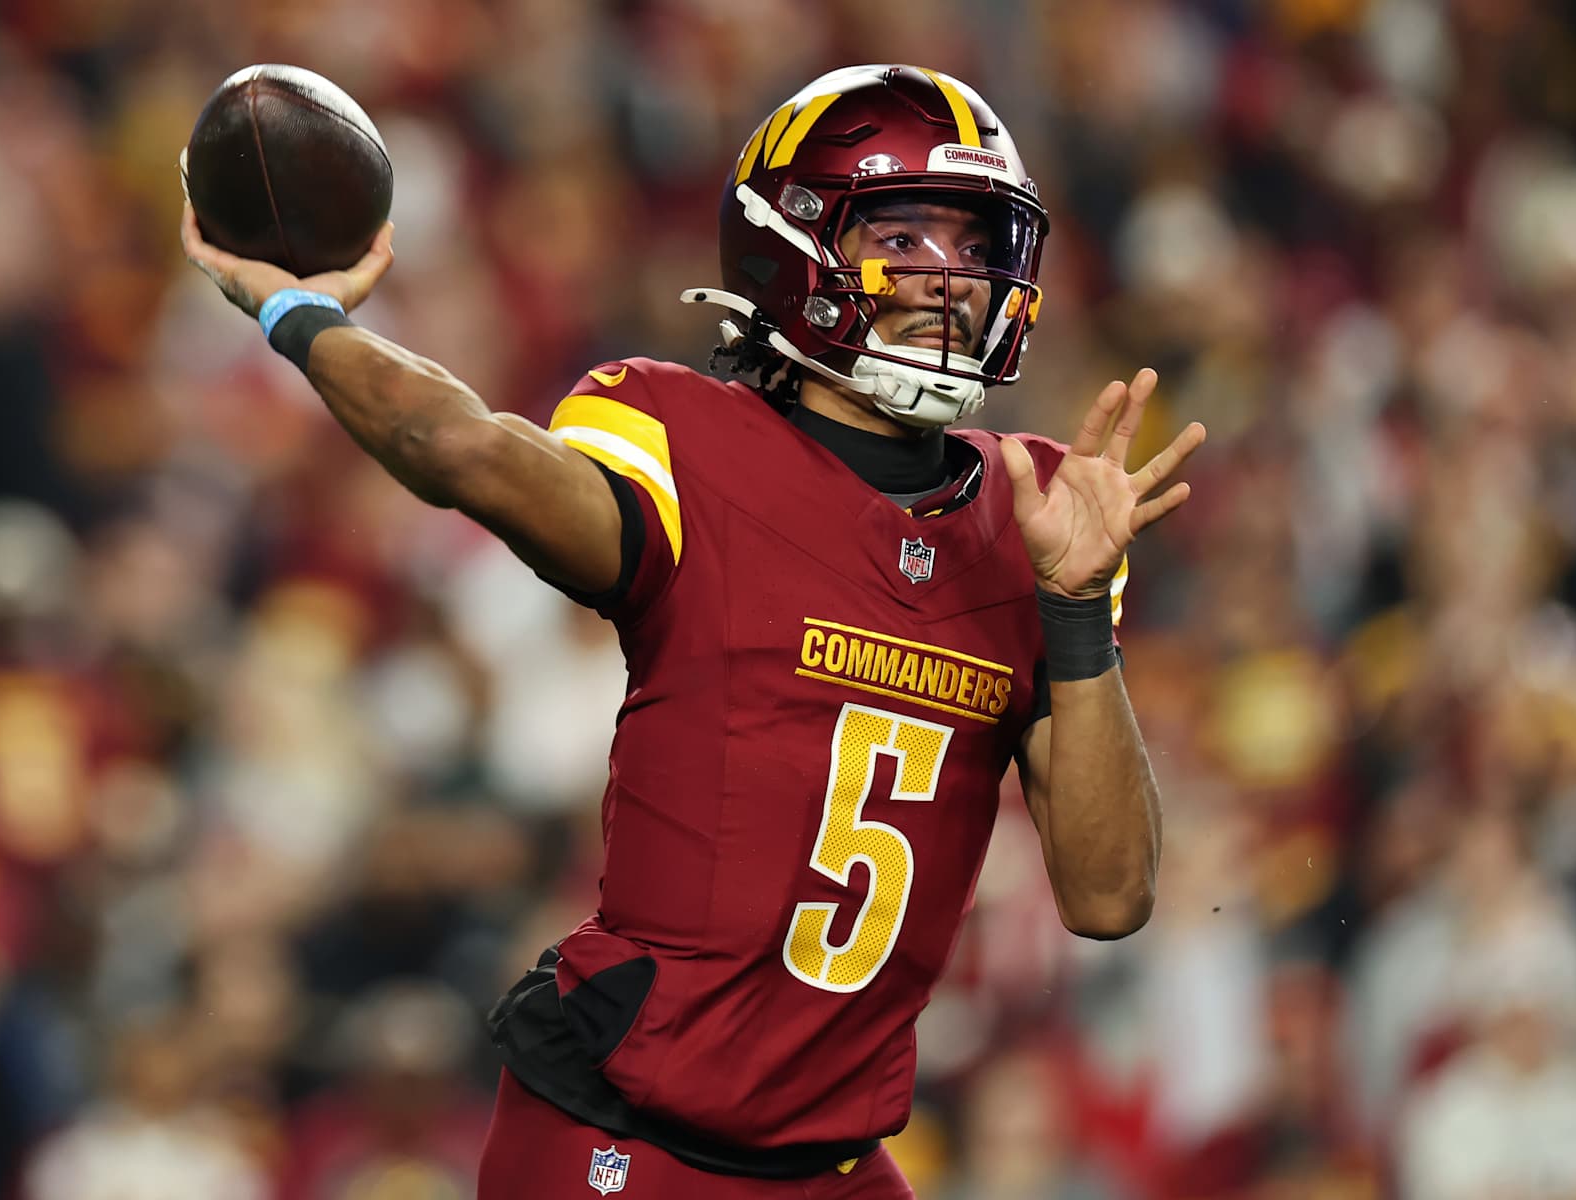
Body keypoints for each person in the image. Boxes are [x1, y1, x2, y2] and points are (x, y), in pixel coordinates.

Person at [182, 62, 1204, 1200]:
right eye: (903, 238)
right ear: (796, 246)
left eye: (972, 243)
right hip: (629, 1139)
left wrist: (1074, 613)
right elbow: (463, 446)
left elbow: (1111, 897)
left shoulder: (1034, 518)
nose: (949, 279)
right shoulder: (682, 438)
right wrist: (296, 309)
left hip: (836, 1162)